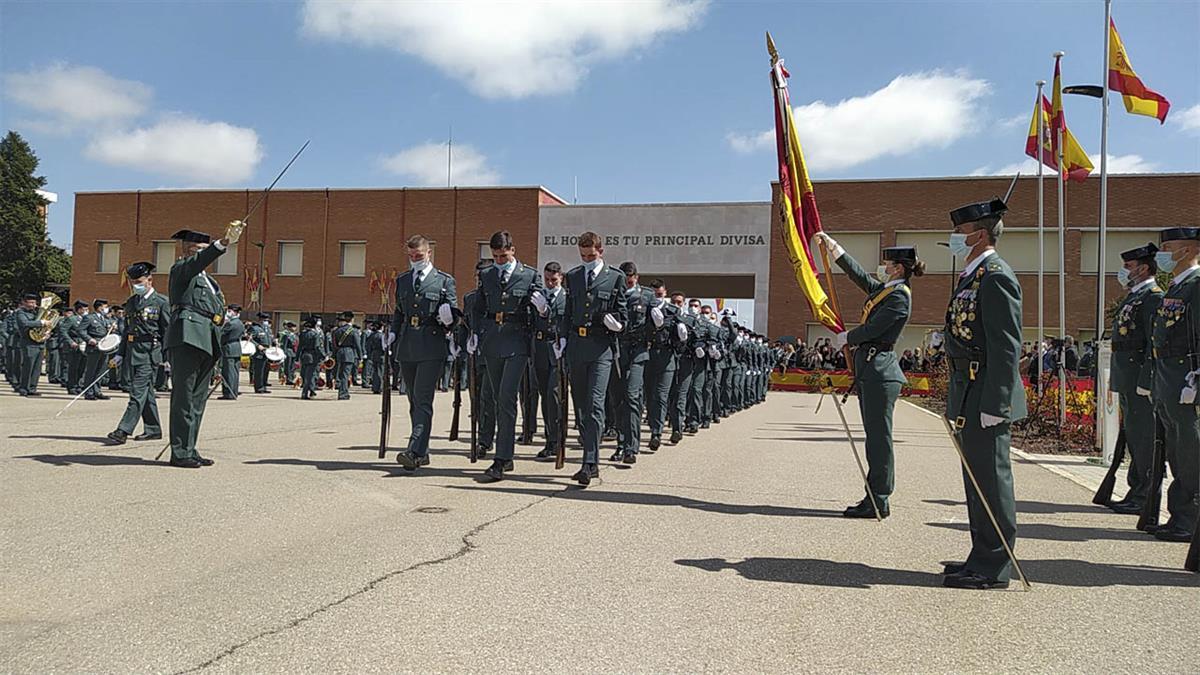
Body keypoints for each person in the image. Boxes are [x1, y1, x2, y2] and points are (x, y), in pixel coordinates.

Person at [940, 193, 1026, 589]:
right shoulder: (971, 276)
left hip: (986, 390)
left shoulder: (996, 276)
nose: (953, 238)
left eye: (958, 232)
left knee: (991, 477)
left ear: (979, 234)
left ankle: (994, 566)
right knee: (975, 477)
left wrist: (997, 402)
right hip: (967, 386)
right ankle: (981, 554)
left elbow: (1006, 345)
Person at [817, 234, 924, 520]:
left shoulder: (900, 297)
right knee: (874, 438)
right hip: (871, 371)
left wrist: (847, 337)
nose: (883, 266)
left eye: (887, 263)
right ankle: (874, 495)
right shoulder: (887, 290)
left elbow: (875, 328)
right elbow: (860, 277)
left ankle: (879, 498)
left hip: (880, 373)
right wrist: (835, 250)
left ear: (899, 268)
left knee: (878, 439)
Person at [470, 230, 542, 481]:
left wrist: (543, 310)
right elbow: (478, 308)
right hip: (492, 341)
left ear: (513, 250)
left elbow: (541, 313)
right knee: (493, 396)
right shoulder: (487, 275)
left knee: (506, 397)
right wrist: (475, 333)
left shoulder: (530, 275)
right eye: (496, 256)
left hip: (517, 341)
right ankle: (505, 455)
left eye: (504, 255)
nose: (500, 260)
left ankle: (501, 458)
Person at [558, 231, 628, 486]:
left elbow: (623, 313)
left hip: (601, 348)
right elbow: (567, 312)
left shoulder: (615, 278)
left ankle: (590, 462)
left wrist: (618, 325)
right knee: (581, 406)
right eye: (582, 255)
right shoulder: (574, 276)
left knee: (595, 403)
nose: (587, 259)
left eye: (591, 255)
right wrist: (562, 339)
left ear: (601, 251)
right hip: (577, 345)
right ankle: (589, 456)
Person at [164, 226, 238, 468]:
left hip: (207, 337)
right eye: (200, 251)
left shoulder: (209, 281)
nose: (205, 256)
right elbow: (197, 263)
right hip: (187, 336)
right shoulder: (182, 270)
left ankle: (189, 447)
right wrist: (222, 243)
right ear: (190, 251)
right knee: (184, 397)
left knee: (197, 400)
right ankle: (179, 452)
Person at [1148, 227, 1200, 543]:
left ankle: (1190, 519)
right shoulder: (1176, 287)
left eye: (1169, 247)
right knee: (1177, 451)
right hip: (1168, 377)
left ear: (1189, 248)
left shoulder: (1196, 286)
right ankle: (1179, 515)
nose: (1163, 254)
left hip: (1185, 376)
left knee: (1190, 450)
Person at [1105, 242, 1164, 516]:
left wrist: (1147, 379)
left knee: (1144, 438)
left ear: (1142, 268)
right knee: (1134, 437)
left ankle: (1144, 494)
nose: (1123, 272)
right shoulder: (1134, 297)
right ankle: (1136, 489)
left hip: (1139, 377)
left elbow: (1154, 342)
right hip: (1126, 375)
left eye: (1128, 267)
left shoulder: (1152, 297)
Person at [392, 234, 458, 470]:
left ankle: (414, 449)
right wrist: (392, 332)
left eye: (418, 256)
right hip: (407, 345)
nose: (414, 260)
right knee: (413, 400)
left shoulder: (443, 281)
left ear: (429, 253)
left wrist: (449, 319)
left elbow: (453, 312)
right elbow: (399, 312)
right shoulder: (402, 280)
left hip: (432, 345)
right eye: (410, 257)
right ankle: (422, 452)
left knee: (422, 399)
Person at [105, 262, 170, 444]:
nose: (136, 285)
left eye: (139, 281)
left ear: (150, 280)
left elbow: (168, 332)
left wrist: (168, 358)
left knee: (137, 392)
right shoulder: (132, 302)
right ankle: (153, 429)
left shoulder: (161, 302)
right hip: (134, 352)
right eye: (133, 282)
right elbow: (128, 330)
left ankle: (123, 430)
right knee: (146, 392)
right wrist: (120, 353)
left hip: (150, 353)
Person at [531, 261, 567, 460]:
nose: (550, 283)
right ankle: (550, 439)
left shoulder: (566, 298)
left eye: (554, 279)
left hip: (558, 349)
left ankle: (558, 439)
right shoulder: (540, 296)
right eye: (547, 279)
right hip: (541, 349)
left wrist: (546, 312)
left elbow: (563, 321)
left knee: (555, 395)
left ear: (560, 277)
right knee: (545, 396)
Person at [645, 281, 686, 452]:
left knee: (662, 396)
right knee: (649, 397)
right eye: (654, 294)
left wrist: (681, 335)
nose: (657, 298)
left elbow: (681, 338)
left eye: (660, 294)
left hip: (667, 357)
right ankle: (657, 426)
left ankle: (657, 433)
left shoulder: (674, 312)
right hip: (647, 356)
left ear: (664, 293)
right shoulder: (644, 308)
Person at [463, 260, 496, 457]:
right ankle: (480, 435)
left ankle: (485, 440)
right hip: (474, 354)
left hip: (492, 353)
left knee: (488, 399)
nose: (480, 281)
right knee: (475, 398)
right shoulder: (470, 298)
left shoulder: (496, 297)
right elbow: (466, 324)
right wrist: (459, 343)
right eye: (478, 277)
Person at [666, 291, 697, 445]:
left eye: (679, 302)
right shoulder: (665, 315)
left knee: (680, 395)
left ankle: (677, 429)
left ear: (683, 304)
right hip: (668, 359)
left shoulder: (690, 320)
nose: (676, 305)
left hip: (685, 361)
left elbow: (698, 339)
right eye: (674, 302)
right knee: (668, 395)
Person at [13, 292, 52, 396]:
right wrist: (41, 323)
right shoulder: (20, 313)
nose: (33, 305)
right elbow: (25, 323)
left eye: (35, 302)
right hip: (28, 343)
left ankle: (32, 388)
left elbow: (46, 325)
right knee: (28, 366)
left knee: (37, 368)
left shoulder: (36, 313)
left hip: (39, 343)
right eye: (31, 302)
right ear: (24, 303)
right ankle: (24, 388)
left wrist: (46, 332)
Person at [80, 298, 115, 400]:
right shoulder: (89, 318)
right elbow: (81, 330)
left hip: (104, 347)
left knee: (100, 370)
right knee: (91, 370)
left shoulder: (105, 319)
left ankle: (97, 390)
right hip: (93, 347)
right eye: (105, 307)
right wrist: (89, 339)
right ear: (99, 308)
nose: (106, 309)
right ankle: (88, 392)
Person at [332, 311, 362, 400]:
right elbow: (357, 345)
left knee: (340, 374)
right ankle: (343, 393)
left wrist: (334, 355)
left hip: (339, 352)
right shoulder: (353, 331)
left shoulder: (337, 330)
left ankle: (342, 391)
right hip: (349, 353)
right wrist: (360, 356)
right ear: (352, 319)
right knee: (345, 375)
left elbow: (334, 344)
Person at [218, 304, 245, 400]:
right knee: (235, 372)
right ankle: (234, 391)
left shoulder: (230, 323)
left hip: (229, 347)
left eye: (229, 311)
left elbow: (221, 334)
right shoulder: (240, 323)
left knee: (228, 372)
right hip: (237, 348)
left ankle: (228, 393)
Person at [298, 317, 323, 400]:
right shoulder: (315, 334)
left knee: (305, 375)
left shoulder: (303, 334)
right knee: (309, 376)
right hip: (312, 356)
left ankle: (310, 391)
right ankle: (305, 393)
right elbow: (317, 347)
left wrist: (297, 357)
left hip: (304, 355)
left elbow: (299, 346)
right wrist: (323, 355)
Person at [248, 312, 273, 393]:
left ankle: (264, 386)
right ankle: (258, 387)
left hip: (267, 352)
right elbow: (249, 338)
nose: (265, 321)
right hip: (259, 352)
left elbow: (270, 339)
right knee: (259, 371)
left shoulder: (268, 329)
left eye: (266, 320)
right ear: (260, 320)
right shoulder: (255, 328)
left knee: (266, 370)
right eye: (263, 320)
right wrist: (257, 345)